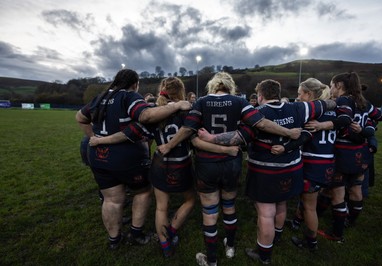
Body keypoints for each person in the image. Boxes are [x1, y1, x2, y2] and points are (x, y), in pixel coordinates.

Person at [158, 72, 302, 266]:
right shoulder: (238, 102)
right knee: (229, 206)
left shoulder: (202, 101)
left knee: (209, 212)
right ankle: (230, 248)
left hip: (207, 164)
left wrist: (168, 145)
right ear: (230, 85)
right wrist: (288, 132)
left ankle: (212, 260)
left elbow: (188, 129)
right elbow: (261, 123)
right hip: (231, 162)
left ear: (213, 85)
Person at [88, 77, 240, 257]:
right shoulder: (187, 111)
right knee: (190, 200)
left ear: (162, 90)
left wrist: (101, 140)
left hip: (159, 164)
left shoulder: (154, 112)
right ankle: (172, 232)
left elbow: (130, 133)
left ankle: (165, 246)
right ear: (181, 91)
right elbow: (195, 140)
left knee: (161, 207)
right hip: (181, 164)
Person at [197, 79, 336, 264]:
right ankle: (276, 238)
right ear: (278, 94)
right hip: (292, 169)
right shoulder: (298, 108)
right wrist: (334, 105)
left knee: (266, 213)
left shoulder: (257, 114)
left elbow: (237, 138)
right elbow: (328, 104)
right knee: (281, 204)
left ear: (260, 95)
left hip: (266, 172)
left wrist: (211, 137)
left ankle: (263, 254)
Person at [75, 69, 191, 250]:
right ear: (135, 83)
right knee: (143, 192)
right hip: (126, 156)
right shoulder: (129, 96)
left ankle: (114, 240)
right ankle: (136, 234)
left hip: (99, 156)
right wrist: (175, 106)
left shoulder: (100, 97)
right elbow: (145, 116)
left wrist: (94, 137)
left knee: (111, 199)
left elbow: (80, 117)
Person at [314, 71, 368, 242]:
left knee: (337, 192)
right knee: (355, 188)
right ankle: (350, 221)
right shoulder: (363, 102)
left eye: (331, 85)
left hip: (343, 152)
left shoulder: (343, 101)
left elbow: (344, 120)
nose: (330, 88)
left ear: (339, 86)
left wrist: (322, 125)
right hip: (360, 152)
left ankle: (337, 233)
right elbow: (376, 120)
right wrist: (363, 135)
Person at [288, 78, 337, 252]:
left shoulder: (311, 112)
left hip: (313, 162)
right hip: (328, 161)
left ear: (309, 94)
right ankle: (296, 223)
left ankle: (311, 243)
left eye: (300, 93)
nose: (298, 97)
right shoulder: (333, 110)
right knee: (309, 201)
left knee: (309, 206)